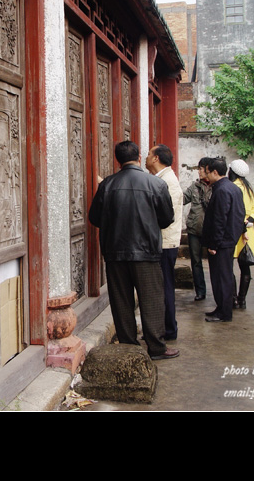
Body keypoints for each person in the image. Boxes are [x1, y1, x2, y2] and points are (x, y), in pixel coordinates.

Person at [89, 141, 179, 360]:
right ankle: (156, 347)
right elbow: (167, 219)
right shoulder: (156, 184)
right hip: (147, 252)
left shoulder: (107, 185)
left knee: (121, 300)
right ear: (139, 158)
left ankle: (129, 346)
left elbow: (95, 218)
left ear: (118, 160)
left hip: (115, 252)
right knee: (152, 299)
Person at [145, 144, 183, 340]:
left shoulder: (167, 182)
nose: (146, 157)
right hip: (163, 241)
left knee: (164, 287)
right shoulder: (162, 179)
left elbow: (166, 217)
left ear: (156, 158)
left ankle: (168, 329)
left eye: (148, 154)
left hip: (165, 243)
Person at [201, 158, 246, 322]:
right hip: (229, 239)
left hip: (221, 242)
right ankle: (221, 308)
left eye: (207, 172)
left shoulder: (221, 190)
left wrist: (214, 244)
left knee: (221, 277)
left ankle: (224, 312)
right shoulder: (233, 188)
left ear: (214, 172)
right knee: (224, 276)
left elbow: (220, 219)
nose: (206, 176)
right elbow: (241, 213)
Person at [228, 159, 254, 309]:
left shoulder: (232, 188)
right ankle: (242, 300)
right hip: (248, 231)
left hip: (234, 230)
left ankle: (233, 299)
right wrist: (248, 222)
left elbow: (233, 211)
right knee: (245, 265)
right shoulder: (249, 189)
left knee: (229, 265)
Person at [183, 157, 212, 301]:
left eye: (201, 169)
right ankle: (200, 291)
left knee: (215, 261)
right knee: (196, 261)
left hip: (211, 230)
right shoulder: (194, 187)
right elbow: (182, 199)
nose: (199, 172)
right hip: (194, 229)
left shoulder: (216, 187)